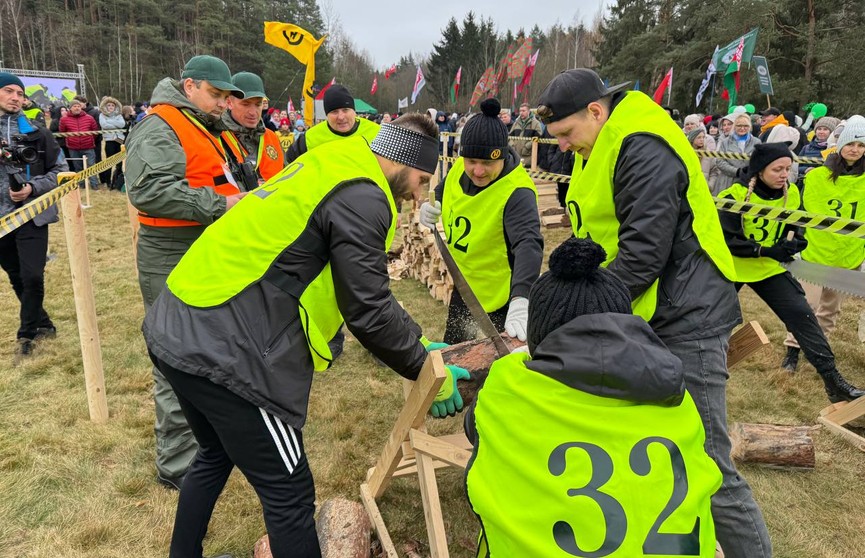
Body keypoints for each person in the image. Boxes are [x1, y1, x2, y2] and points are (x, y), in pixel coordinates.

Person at [143, 114, 466, 558]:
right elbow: (367, 310)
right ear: (405, 160)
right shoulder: (363, 195)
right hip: (227, 349)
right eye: (421, 179)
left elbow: (368, 291)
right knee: (290, 494)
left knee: (215, 453)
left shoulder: (335, 161)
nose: (417, 192)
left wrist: (416, 340)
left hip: (178, 319)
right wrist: (423, 365)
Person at [537, 68, 771, 558]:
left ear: (595, 111)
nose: (562, 147)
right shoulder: (601, 144)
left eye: (566, 135)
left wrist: (579, 318)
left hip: (686, 311)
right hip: (647, 308)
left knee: (705, 461)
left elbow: (643, 253)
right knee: (650, 447)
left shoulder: (643, 145)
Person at [464, 237, 722, 557]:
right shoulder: (676, 396)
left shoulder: (507, 385)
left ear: (539, 334)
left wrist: (526, 360)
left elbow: (472, 426)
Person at [125, 54, 248, 491]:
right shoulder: (161, 125)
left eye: (225, 97)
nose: (222, 104)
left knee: (209, 348)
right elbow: (149, 190)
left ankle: (208, 443)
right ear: (190, 85)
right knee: (173, 353)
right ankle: (178, 464)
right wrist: (221, 206)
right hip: (170, 252)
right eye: (215, 95)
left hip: (206, 247)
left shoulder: (207, 126)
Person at [718, 142, 864, 402]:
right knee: (714, 319)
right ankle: (705, 365)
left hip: (769, 270)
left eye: (788, 168)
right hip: (733, 268)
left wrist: (795, 242)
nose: (784, 174)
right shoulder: (735, 195)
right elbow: (729, 240)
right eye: (777, 169)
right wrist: (766, 250)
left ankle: (833, 381)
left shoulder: (792, 193)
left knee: (803, 315)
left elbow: (798, 228)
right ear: (760, 170)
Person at [420, 98, 543, 344]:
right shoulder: (459, 168)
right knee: (454, 357)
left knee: (493, 369)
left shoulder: (517, 192)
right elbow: (444, 192)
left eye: (487, 163)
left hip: (502, 299)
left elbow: (528, 245)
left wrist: (521, 298)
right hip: (465, 287)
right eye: (472, 161)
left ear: (503, 156)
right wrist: (431, 206)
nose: (477, 171)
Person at [783, 116, 865, 373]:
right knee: (806, 305)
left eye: (861, 146)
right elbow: (813, 209)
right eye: (851, 143)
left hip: (847, 254)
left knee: (830, 309)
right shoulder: (819, 175)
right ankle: (792, 351)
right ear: (840, 144)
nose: (855, 149)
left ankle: (819, 352)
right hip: (817, 251)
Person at [0, 72, 68, 358]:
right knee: (16, 275)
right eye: (9, 92)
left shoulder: (38, 132)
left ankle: (27, 335)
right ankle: (43, 323)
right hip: (1, 221)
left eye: (19, 93)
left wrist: (31, 188)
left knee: (32, 276)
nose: (16, 97)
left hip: (31, 214)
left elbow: (60, 170)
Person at [284, 84, 379, 164]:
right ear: (327, 115)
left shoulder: (377, 133)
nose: (341, 117)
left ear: (354, 112)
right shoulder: (309, 138)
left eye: (345, 110)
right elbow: (287, 163)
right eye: (334, 112)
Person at [221, 72, 284, 184]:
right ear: (229, 103)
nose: (253, 112)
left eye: (258, 104)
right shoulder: (217, 137)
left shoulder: (271, 137)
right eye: (246, 104)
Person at [59, 98, 100, 190]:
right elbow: (62, 132)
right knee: (78, 166)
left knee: (91, 166)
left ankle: (94, 185)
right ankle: (81, 185)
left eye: (78, 106)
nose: (77, 108)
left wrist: (89, 139)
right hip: (73, 147)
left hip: (88, 146)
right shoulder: (64, 119)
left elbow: (95, 131)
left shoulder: (89, 118)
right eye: (74, 106)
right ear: (70, 108)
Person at [715, 113, 761, 194]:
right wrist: (737, 171)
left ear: (750, 127)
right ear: (734, 126)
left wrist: (748, 172)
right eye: (739, 126)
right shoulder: (725, 142)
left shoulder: (757, 142)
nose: (742, 128)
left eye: (745, 126)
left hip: (748, 182)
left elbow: (760, 161)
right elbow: (720, 161)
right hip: (727, 182)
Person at [797, 116, 840, 183]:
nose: (821, 132)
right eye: (819, 129)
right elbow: (796, 167)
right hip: (804, 183)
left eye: (825, 129)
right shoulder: (806, 148)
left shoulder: (834, 150)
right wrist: (806, 169)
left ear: (831, 132)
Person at [98, 96, 126, 190]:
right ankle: (108, 182)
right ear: (105, 106)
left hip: (119, 139)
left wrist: (111, 122)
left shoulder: (119, 115)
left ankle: (118, 181)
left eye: (112, 105)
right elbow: (104, 125)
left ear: (115, 106)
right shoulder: (102, 115)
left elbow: (122, 124)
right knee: (109, 161)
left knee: (119, 162)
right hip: (109, 140)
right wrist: (115, 124)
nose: (110, 107)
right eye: (108, 105)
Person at [508, 102, 544, 167]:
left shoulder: (536, 123)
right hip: (516, 157)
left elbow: (538, 138)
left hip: (528, 158)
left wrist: (527, 146)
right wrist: (512, 145)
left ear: (528, 111)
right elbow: (510, 137)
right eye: (520, 111)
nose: (521, 112)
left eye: (523, 111)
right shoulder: (516, 123)